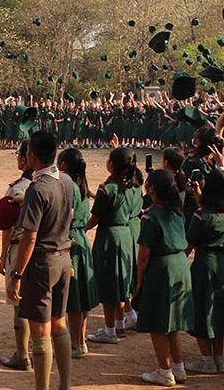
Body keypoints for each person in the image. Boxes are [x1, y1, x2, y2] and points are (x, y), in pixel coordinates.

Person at [7, 131, 75, 390]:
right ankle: (65, 384)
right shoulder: (66, 181)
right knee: (60, 323)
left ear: (32, 155)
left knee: (40, 332)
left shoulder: (37, 189)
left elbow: (29, 237)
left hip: (41, 263)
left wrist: (16, 275)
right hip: (63, 257)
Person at [134, 168, 193, 386]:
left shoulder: (150, 216)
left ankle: (164, 370)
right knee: (173, 322)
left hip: (162, 268)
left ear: (152, 189)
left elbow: (144, 255)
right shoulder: (177, 210)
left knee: (158, 322)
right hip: (180, 265)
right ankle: (178, 366)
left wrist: (140, 281)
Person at [184, 169, 224, 375]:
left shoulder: (200, 216)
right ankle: (218, 358)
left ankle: (206, 360)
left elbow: (189, 244)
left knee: (202, 309)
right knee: (220, 311)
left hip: (205, 264)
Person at [86, 146, 141, 345]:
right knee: (121, 282)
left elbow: (94, 219)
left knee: (108, 283)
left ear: (112, 165)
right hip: (127, 235)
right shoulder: (134, 185)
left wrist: (77, 230)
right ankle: (119, 324)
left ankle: (109, 330)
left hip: (110, 237)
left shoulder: (107, 189)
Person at [59, 147, 97, 361]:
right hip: (81, 239)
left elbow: (67, 216)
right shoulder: (82, 185)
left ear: (63, 164)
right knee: (82, 296)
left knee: (74, 298)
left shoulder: (69, 186)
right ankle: (81, 341)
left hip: (70, 241)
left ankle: (74, 344)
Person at [0, 142, 34, 370]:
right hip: (48, 250)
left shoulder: (18, 188)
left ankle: (22, 355)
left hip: (20, 247)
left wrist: (3, 256)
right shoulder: (57, 182)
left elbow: (7, 226)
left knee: (19, 303)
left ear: (26, 158)